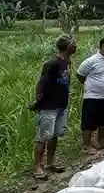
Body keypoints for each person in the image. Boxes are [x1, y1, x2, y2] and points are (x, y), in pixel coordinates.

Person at [32, 35, 76, 179]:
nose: (75, 46)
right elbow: (41, 82)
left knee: (55, 135)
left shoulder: (67, 63)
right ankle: (37, 167)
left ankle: (50, 162)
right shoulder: (52, 64)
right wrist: (38, 99)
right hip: (49, 106)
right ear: (67, 46)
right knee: (43, 137)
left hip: (61, 105)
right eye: (73, 44)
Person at [76, 37, 104, 152]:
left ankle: (101, 142)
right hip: (93, 97)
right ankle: (87, 145)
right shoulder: (91, 61)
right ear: (100, 48)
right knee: (89, 123)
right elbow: (80, 75)